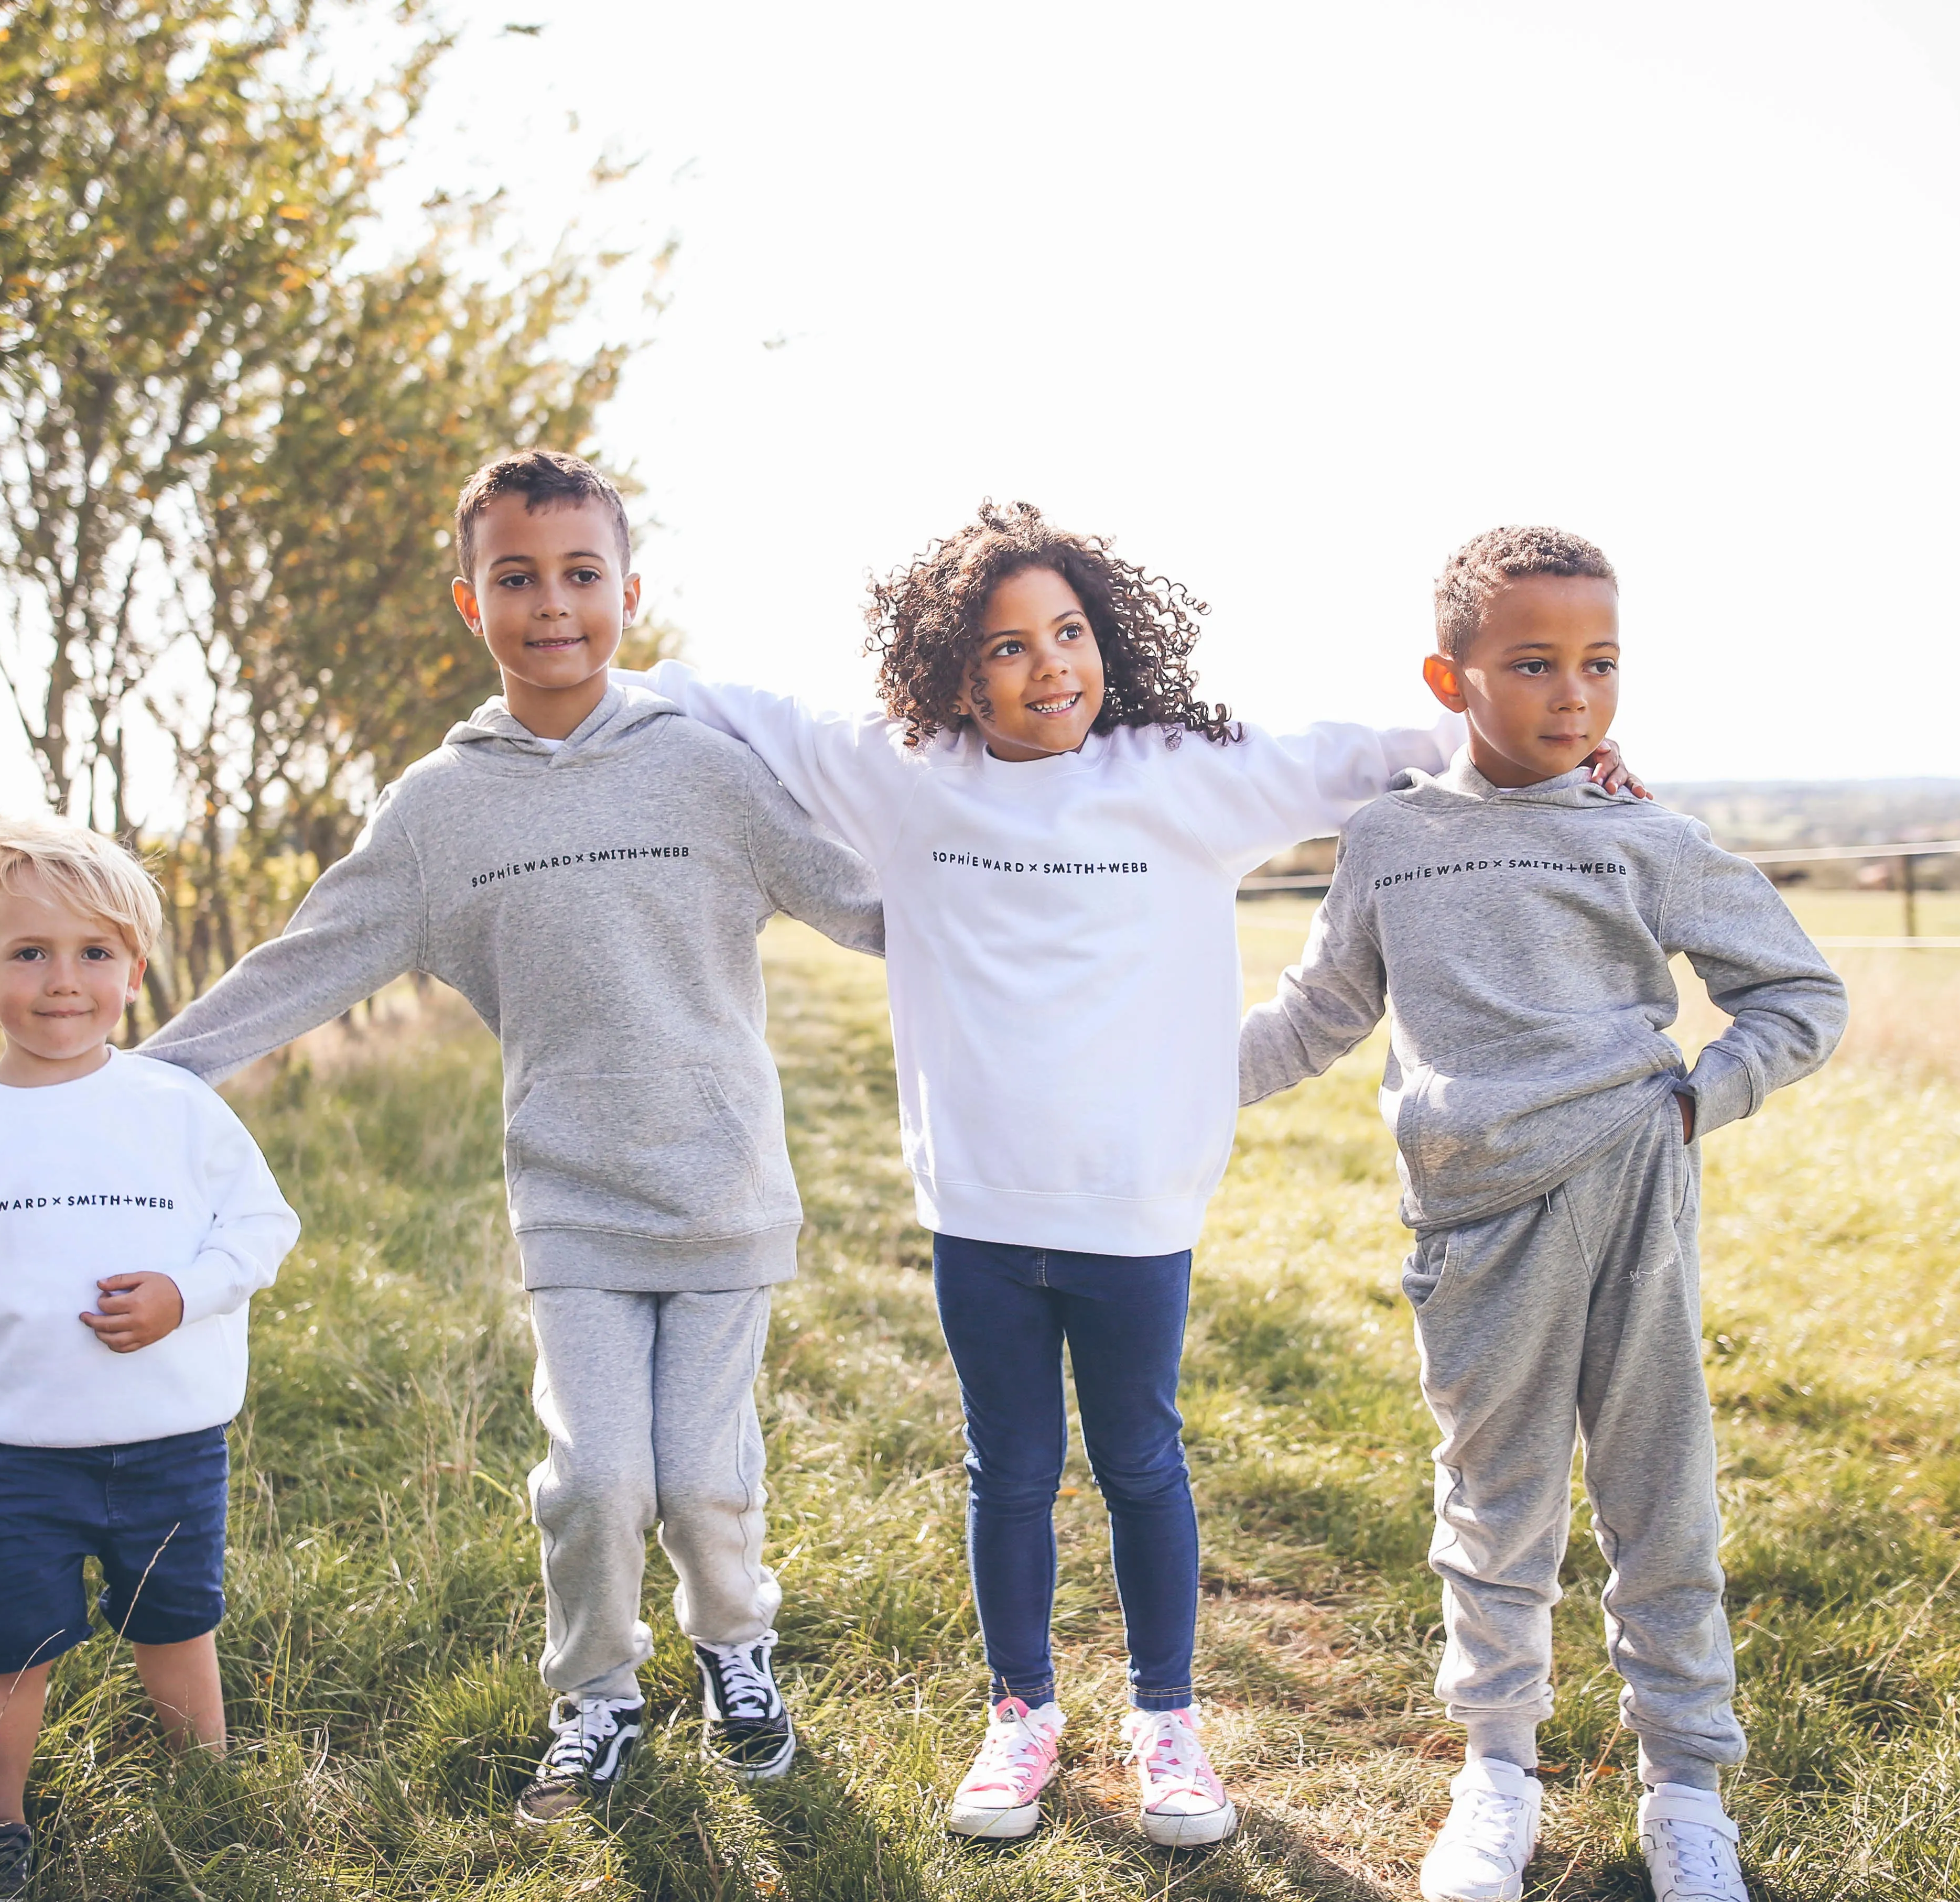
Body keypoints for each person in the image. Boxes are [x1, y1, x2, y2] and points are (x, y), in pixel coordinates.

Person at [622, 502, 1643, 1849]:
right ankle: (1021, 1713)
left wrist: (1574, 742)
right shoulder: (905, 774)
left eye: (1069, 632)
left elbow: (1381, 747)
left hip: (1136, 1204)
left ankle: (1169, 1723)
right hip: (979, 1205)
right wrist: (574, 664)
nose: (1050, 665)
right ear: (949, 670)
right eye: (1006, 645)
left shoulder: (1180, 776)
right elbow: (716, 700)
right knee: (1007, 1468)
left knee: (1142, 1462)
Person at [139, 450, 883, 1826]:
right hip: (572, 1207)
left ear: (630, 592)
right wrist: (147, 1073)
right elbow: (314, 956)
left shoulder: (707, 771)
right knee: (598, 1481)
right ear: (467, 602)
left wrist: (1034, 894)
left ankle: (737, 1653)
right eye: (517, 577)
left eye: (581, 575)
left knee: (707, 1483)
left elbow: (865, 903)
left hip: (723, 1191)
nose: (553, 604)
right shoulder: (440, 808)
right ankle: (595, 1696)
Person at [1239, 527, 1848, 1902]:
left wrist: (1703, 1097)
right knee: (1492, 1505)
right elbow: (1319, 1011)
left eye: (1599, 663)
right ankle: (1495, 1775)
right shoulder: (1391, 837)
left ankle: (1685, 1792)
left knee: (1659, 1501)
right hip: (1471, 1218)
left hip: (1634, 1186)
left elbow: (1800, 995)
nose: (1572, 697)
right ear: (1447, 676)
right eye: (1532, 664)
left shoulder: (1645, 836)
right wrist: (1164, 1091)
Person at [0, 817, 300, 1902]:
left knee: (177, 1617)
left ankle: (202, 1781)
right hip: (18, 1450)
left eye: (94, 953)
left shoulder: (177, 1109)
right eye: (29, 953)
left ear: (136, 971)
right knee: (8, 1643)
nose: (64, 981)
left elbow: (261, 1228)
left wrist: (182, 1295)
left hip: (170, 1437)